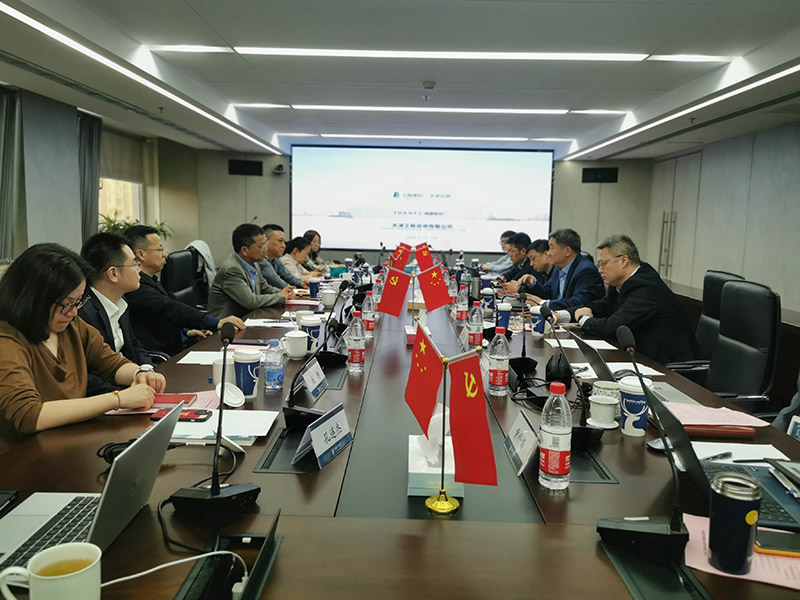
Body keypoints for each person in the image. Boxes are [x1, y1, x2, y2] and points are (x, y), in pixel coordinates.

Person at [0, 244, 163, 448]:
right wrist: (117, 399)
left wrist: (139, 373)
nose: (74, 312)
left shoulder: (71, 325)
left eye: (78, 302)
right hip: (25, 455)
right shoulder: (7, 340)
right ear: (33, 299)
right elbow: (28, 415)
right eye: (66, 303)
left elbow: (110, 363)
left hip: (68, 442)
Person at [556, 234, 698, 365]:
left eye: (603, 263)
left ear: (623, 261)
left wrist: (583, 319)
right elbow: (601, 306)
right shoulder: (622, 283)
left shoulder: (646, 287)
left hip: (671, 369)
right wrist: (563, 315)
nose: (600, 270)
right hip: (643, 359)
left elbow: (612, 327)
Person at [123, 225, 245, 357]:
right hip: (160, 357)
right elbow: (168, 308)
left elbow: (161, 316)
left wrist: (186, 332)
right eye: (160, 249)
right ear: (141, 254)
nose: (164, 254)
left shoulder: (151, 280)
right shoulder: (135, 286)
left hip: (174, 348)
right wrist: (216, 322)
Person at [78, 233, 151, 366]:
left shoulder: (121, 301)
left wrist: (147, 368)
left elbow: (134, 345)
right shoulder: (84, 313)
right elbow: (90, 369)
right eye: (135, 264)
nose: (139, 270)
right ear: (113, 273)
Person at [208, 224, 294, 318]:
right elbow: (251, 302)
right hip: (228, 323)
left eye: (265, 245)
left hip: (248, 317)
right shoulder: (232, 269)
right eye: (261, 246)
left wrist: (286, 292)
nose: (266, 249)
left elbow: (266, 289)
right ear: (244, 250)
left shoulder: (254, 264)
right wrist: (281, 296)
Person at [519, 228, 604, 310]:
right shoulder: (558, 268)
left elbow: (578, 303)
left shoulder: (586, 271)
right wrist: (533, 283)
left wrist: (544, 303)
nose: (548, 253)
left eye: (551, 248)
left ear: (567, 251)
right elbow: (548, 293)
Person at [259, 223, 306, 290]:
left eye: (284, 242)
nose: (284, 246)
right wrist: (293, 289)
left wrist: (301, 283)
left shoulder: (275, 260)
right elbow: (276, 281)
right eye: (280, 241)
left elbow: (287, 276)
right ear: (265, 241)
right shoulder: (261, 260)